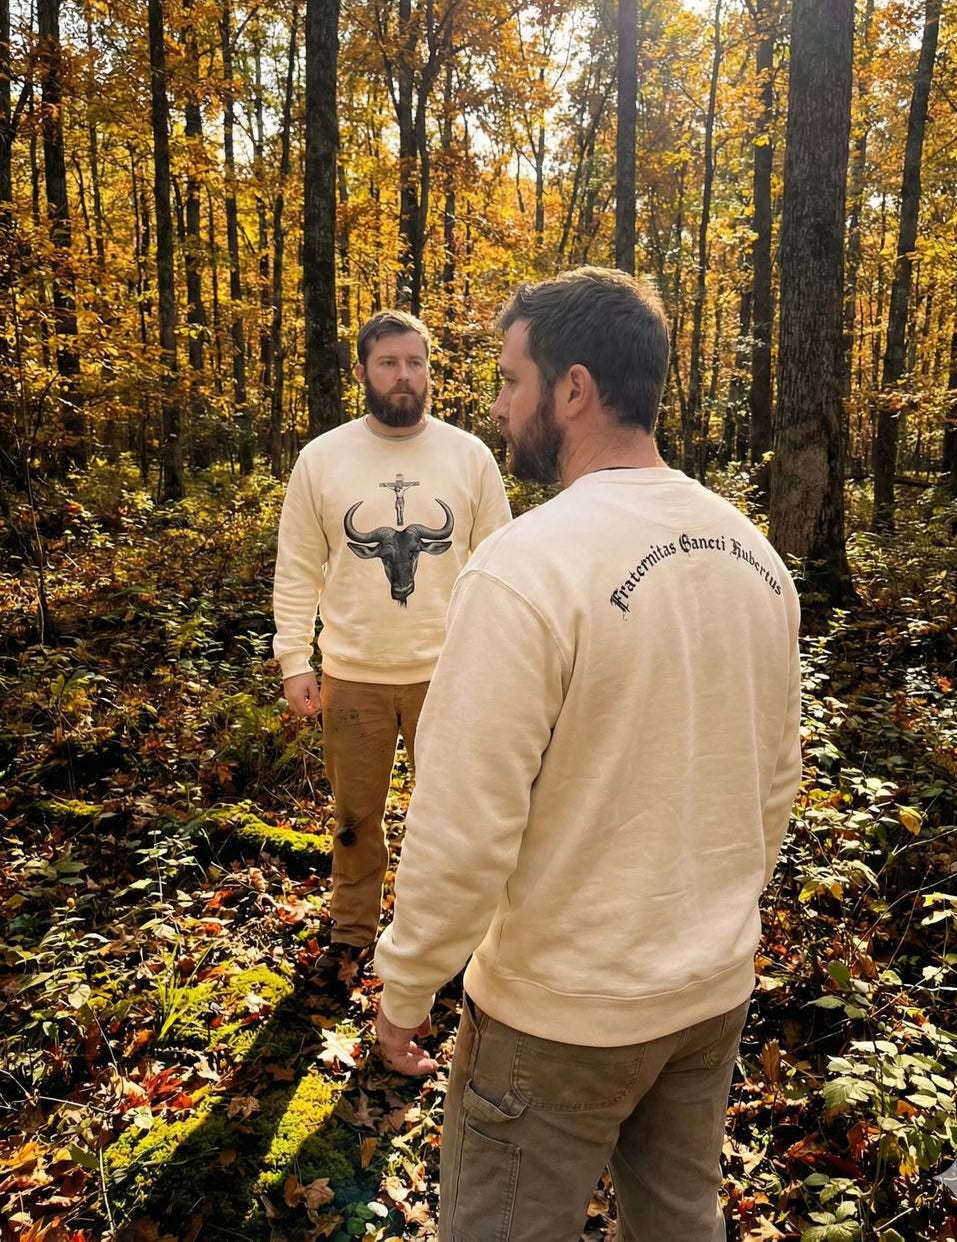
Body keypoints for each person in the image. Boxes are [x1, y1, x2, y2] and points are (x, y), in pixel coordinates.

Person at [374, 267, 802, 1241]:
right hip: (708, 996)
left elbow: (463, 825)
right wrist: (713, 930)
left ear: (572, 389)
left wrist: (406, 987)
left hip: (554, 1019)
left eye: (509, 381)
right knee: (680, 1221)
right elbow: (776, 784)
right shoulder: (754, 558)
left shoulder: (526, 569)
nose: (495, 406)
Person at [273, 309, 512, 974]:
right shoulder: (322, 458)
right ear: (361, 372)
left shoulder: (470, 456)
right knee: (354, 817)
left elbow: (501, 565)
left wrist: (500, 663)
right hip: (353, 674)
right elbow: (297, 565)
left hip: (451, 674)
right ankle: (352, 932)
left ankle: (450, 939)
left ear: (431, 369)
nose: (404, 375)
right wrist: (296, 658)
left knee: (455, 816)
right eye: (388, 362)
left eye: (415, 361)